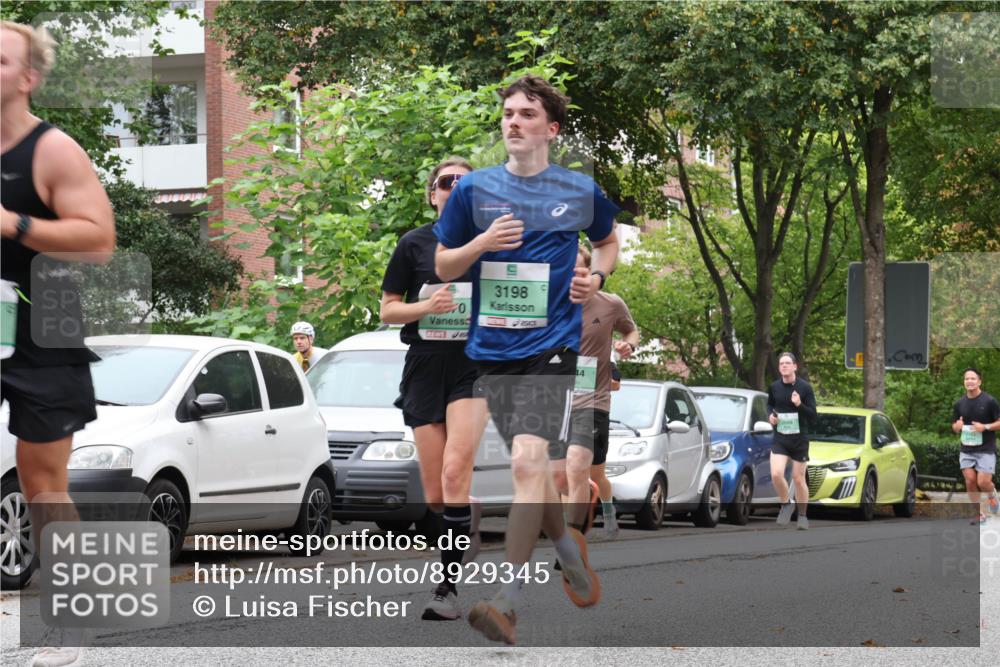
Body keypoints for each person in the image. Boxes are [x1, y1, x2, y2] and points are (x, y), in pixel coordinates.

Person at [435, 74, 620, 645]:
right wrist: (480, 246)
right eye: (508, 113)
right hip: (493, 350)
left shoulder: (578, 189)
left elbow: (609, 242)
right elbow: (444, 265)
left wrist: (596, 275)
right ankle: (567, 549)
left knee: (525, 464)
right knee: (534, 473)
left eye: (527, 115)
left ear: (551, 129)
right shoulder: (474, 191)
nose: (513, 122)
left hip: (554, 347)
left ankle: (507, 602)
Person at [1, 21, 115, 666]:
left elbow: (98, 240)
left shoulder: (52, 150)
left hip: (45, 320)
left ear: (27, 77)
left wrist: (12, 222)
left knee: (43, 478)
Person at [379, 156, 484, 620]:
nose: (455, 187)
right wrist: (426, 307)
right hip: (424, 365)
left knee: (456, 468)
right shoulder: (414, 244)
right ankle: (466, 518)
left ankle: (447, 589)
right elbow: (388, 310)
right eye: (447, 181)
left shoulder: (490, 244)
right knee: (437, 492)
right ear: (433, 193)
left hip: (473, 365)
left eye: (466, 182)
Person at [551, 247, 638, 541]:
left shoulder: (610, 304)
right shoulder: (551, 304)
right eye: (567, 270)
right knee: (567, 474)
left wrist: (629, 345)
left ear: (591, 274)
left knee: (593, 474)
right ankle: (570, 537)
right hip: (557, 401)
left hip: (593, 401)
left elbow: (631, 331)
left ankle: (608, 510)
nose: (574, 277)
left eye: (579, 271)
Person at [766, 352, 817, 530]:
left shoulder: (805, 388)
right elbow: (770, 405)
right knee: (776, 474)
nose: (784, 366)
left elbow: (813, 416)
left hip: (799, 439)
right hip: (781, 437)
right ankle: (786, 503)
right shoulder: (774, 387)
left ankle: (802, 515)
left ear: (795, 366)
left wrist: (798, 405)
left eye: (788, 363)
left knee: (798, 479)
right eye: (782, 364)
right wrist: (770, 417)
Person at [950, 367, 1000, 525]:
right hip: (966, 449)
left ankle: (992, 496)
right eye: (966, 379)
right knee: (970, 481)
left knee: (983, 482)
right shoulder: (959, 404)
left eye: (972, 378)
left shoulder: (989, 401)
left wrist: (984, 427)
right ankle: (979, 514)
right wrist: (957, 426)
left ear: (979, 381)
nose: (969, 381)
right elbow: (954, 426)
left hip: (985, 448)